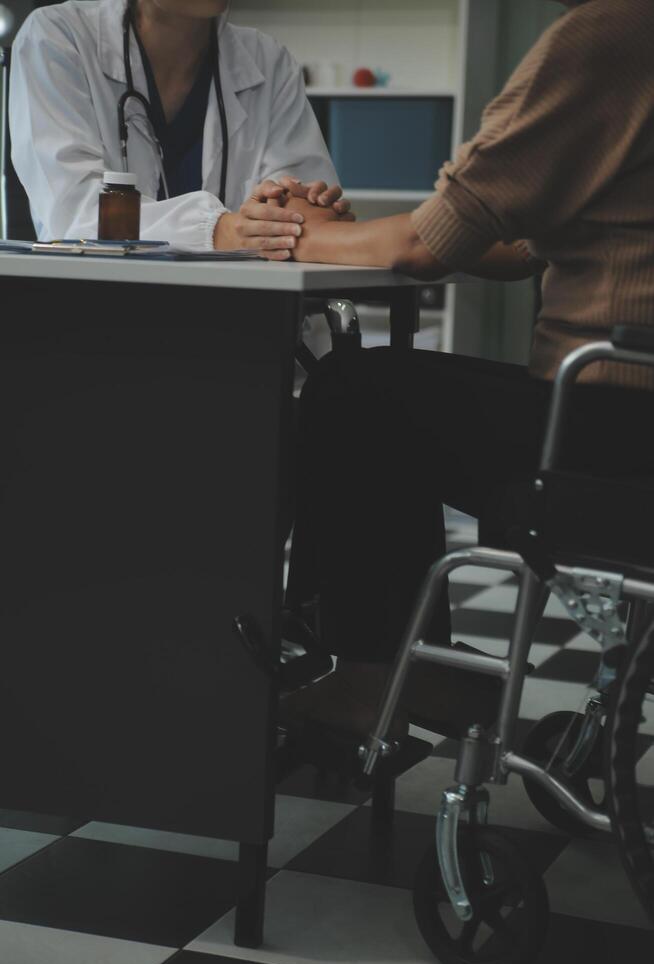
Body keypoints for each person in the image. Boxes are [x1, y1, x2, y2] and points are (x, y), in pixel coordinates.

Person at [279, 0, 654, 739]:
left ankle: (368, 679)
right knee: (392, 394)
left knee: (356, 395)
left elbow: (429, 245)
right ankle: (420, 666)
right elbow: (518, 249)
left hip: (615, 418)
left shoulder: (616, 29)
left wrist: (297, 234)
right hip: (632, 406)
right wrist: (351, 236)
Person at [9, 0, 351, 252]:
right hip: (102, 322)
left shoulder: (269, 61)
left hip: (242, 323)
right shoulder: (57, 39)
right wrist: (221, 231)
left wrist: (301, 205)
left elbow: (303, 224)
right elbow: (73, 219)